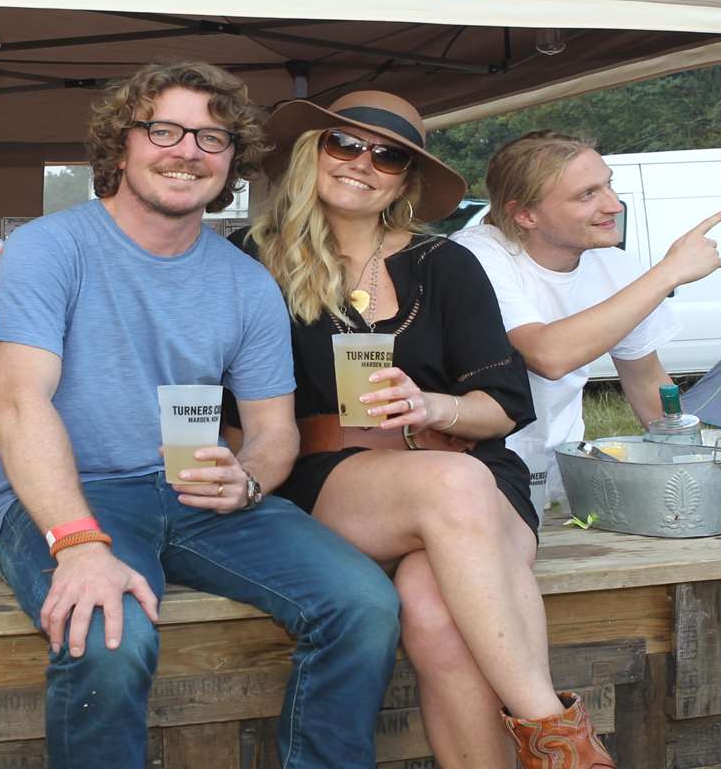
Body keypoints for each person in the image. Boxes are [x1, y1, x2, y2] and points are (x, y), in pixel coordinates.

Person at [0, 62, 401, 768]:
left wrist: (249, 482)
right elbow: (16, 400)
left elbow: (274, 431)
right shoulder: (49, 249)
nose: (188, 152)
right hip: (73, 497)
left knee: (364, 605)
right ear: (121, 146)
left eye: (212, 137)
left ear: (232, 160)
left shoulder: (245, 280)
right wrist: (80, 546)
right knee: (109, 635)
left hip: (196, 492)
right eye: (165, 130)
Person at [243, 92, 613, 769]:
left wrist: (433, 407)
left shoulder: (444, 263)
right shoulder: (253, 259)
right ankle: (557, 737)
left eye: (387, 156)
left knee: (435, 611)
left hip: (468, 468)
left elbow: (502, 407)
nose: (363, 164)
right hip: (331, 476)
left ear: (404, 181)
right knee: (454, 482)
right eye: (344, 145)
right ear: (312, 152)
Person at [452, 131, 721, 512]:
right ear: (525, 214)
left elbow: (647, 380)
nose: (614, 205)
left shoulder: (613, 265)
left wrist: (698, 470)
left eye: (609, 185)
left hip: (565, 474)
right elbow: (547, 355)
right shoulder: (474, 254)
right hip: (479, 477)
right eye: (587, 195)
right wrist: (669, 272)